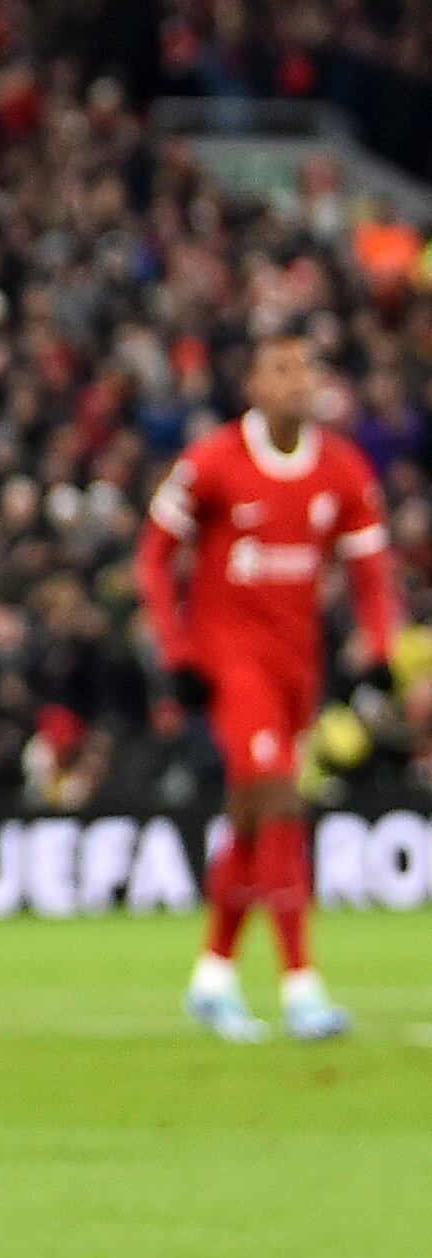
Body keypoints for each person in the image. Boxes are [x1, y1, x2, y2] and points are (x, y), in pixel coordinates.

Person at [137, 331, 400, 1042]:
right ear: (252, 383)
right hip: (232, 662)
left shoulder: (342, 470)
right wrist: (179, 649)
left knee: (254, 816)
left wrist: (379, 647)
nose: (297, 380)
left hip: (296, 668)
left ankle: (213, 976)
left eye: (306, 367)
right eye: (280, 368)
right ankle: (301, 984)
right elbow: (154, 559)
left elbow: (373, 574)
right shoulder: (213, 462)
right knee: (280, 792)